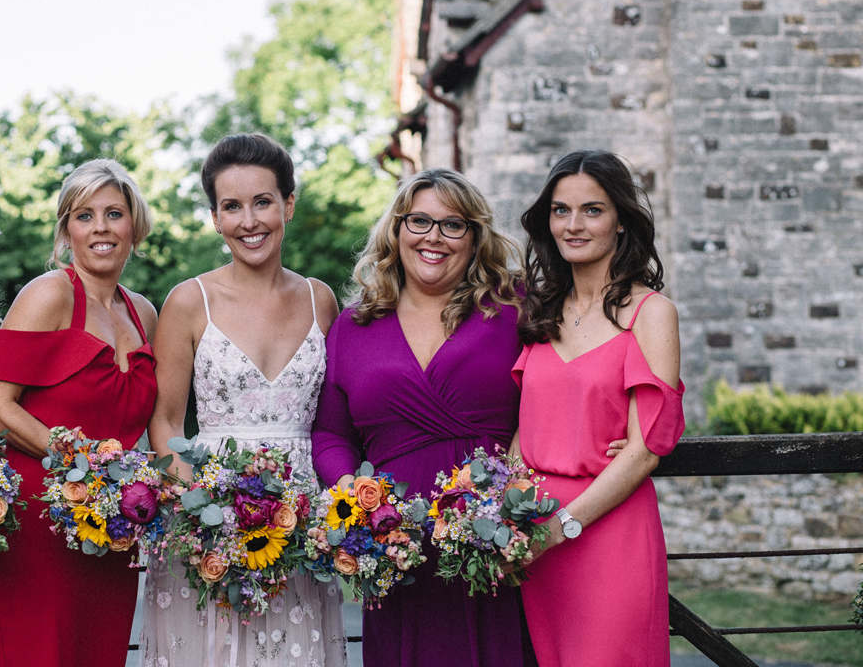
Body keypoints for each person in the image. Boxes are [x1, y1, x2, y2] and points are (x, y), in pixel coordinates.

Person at [141, 133, 348, 667]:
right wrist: (207, 512)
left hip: (298, 527)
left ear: (288, 205)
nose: (249, 220)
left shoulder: (320, 299)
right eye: (231, 206)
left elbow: (336, 421)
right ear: (215, 217)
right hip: (207, 521)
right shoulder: (189, 302)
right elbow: (163, 421)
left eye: (262, 202)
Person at [311, 167, 529, 667]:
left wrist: (511, 495)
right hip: (395, 551)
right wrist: (356, 501)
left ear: (475, 238)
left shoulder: (513, 309)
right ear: (396, 229)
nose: (434, 237)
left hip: (493, 543)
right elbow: (329, 432)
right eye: (419, 221)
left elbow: (550, 400)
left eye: (453, 225)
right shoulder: (354, 325)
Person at [0, 159, 158, 667]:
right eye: (84, 215)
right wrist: (82, 462)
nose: (100, 227)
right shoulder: (48, 294)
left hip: (114, 528)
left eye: (114, 213)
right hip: (40, 521)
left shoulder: (144, 313)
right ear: (66, 229)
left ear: (134, 226)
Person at [512, 149, 684, 667]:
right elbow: (526, 428)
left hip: (606, 533)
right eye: (561, 210)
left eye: (592, 210)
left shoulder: (652, 314)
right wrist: (511, 513)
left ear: (621, 222)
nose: (573, 224)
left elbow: (643, 451)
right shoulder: (540, 311)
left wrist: (559, 527)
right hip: (533, 540)